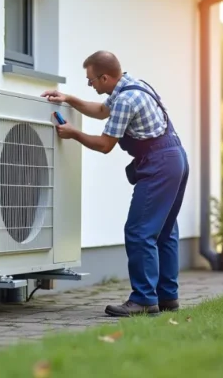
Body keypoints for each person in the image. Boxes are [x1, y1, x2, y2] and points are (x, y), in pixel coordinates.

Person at [41, 50, 189, 317]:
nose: (90, 84)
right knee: (165, 231)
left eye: (91, 80)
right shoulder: (134, 86)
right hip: (176, 158)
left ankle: (144, 298)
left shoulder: (125, 101)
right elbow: (100, 111)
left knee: (139, 231)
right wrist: (69, 99)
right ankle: (168, 296)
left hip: (160, 164)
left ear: (105, 77)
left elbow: (104, 145)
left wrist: (73, 133)